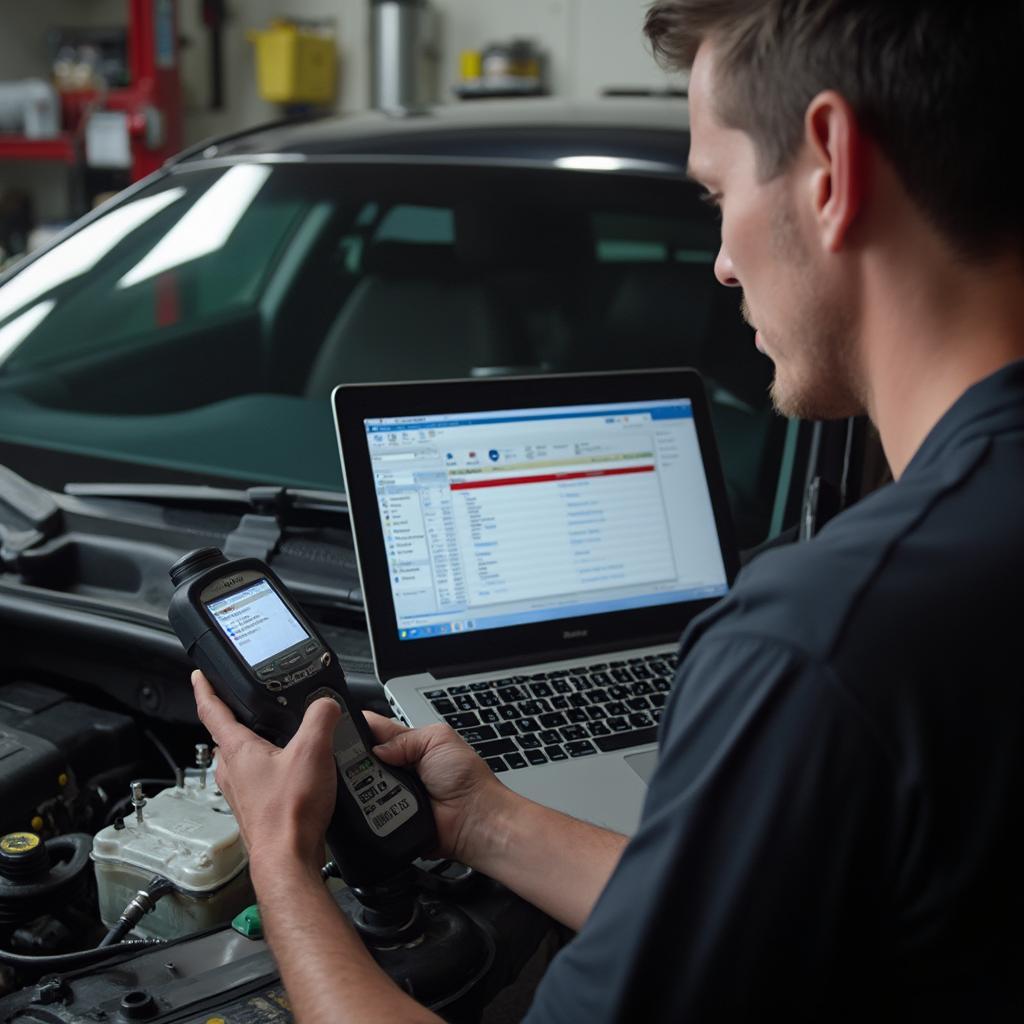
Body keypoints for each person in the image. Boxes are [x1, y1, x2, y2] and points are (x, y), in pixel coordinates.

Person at [192, 2, 1024, 1020]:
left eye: (715, 192)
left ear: (828, 167)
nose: (720, 261)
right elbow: (732, 915)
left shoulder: (817, 644)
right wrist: (484, 818)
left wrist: (280, 860)